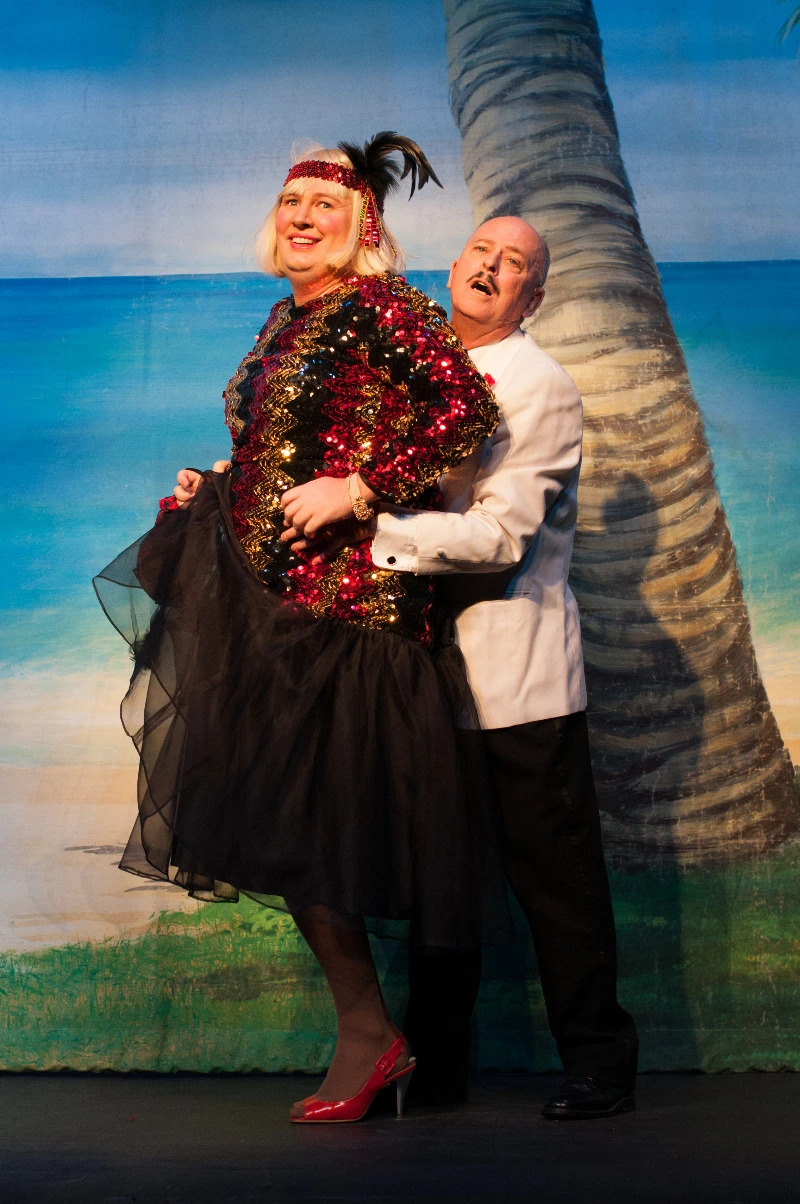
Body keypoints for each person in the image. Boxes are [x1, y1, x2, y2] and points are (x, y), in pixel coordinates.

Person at [93, 135, 506, 1125]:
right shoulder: (287, 319)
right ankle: (370, 1031)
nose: (303, 218)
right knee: (288, 827)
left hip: (349, 611)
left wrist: (359, 488)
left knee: (318, 829)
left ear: (364, 227)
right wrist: (219, 480)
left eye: (326, 205)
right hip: (273, 605)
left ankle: (372, 1035)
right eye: (292, 203)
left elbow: (464, 411)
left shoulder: (379, 306)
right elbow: (289, 446)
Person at [286, 216, 639, 1120]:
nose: (492, 267)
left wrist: (365, 523)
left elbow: (500, 537)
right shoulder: (413, 367)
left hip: (516, 678)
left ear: (534, 297)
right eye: (483, 251)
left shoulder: (539, 385)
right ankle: (433, 1069)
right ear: (453, 266)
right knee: (441, 877)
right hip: (419, 675)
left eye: (514, 264)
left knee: (554, 880)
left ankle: (599, 1064)